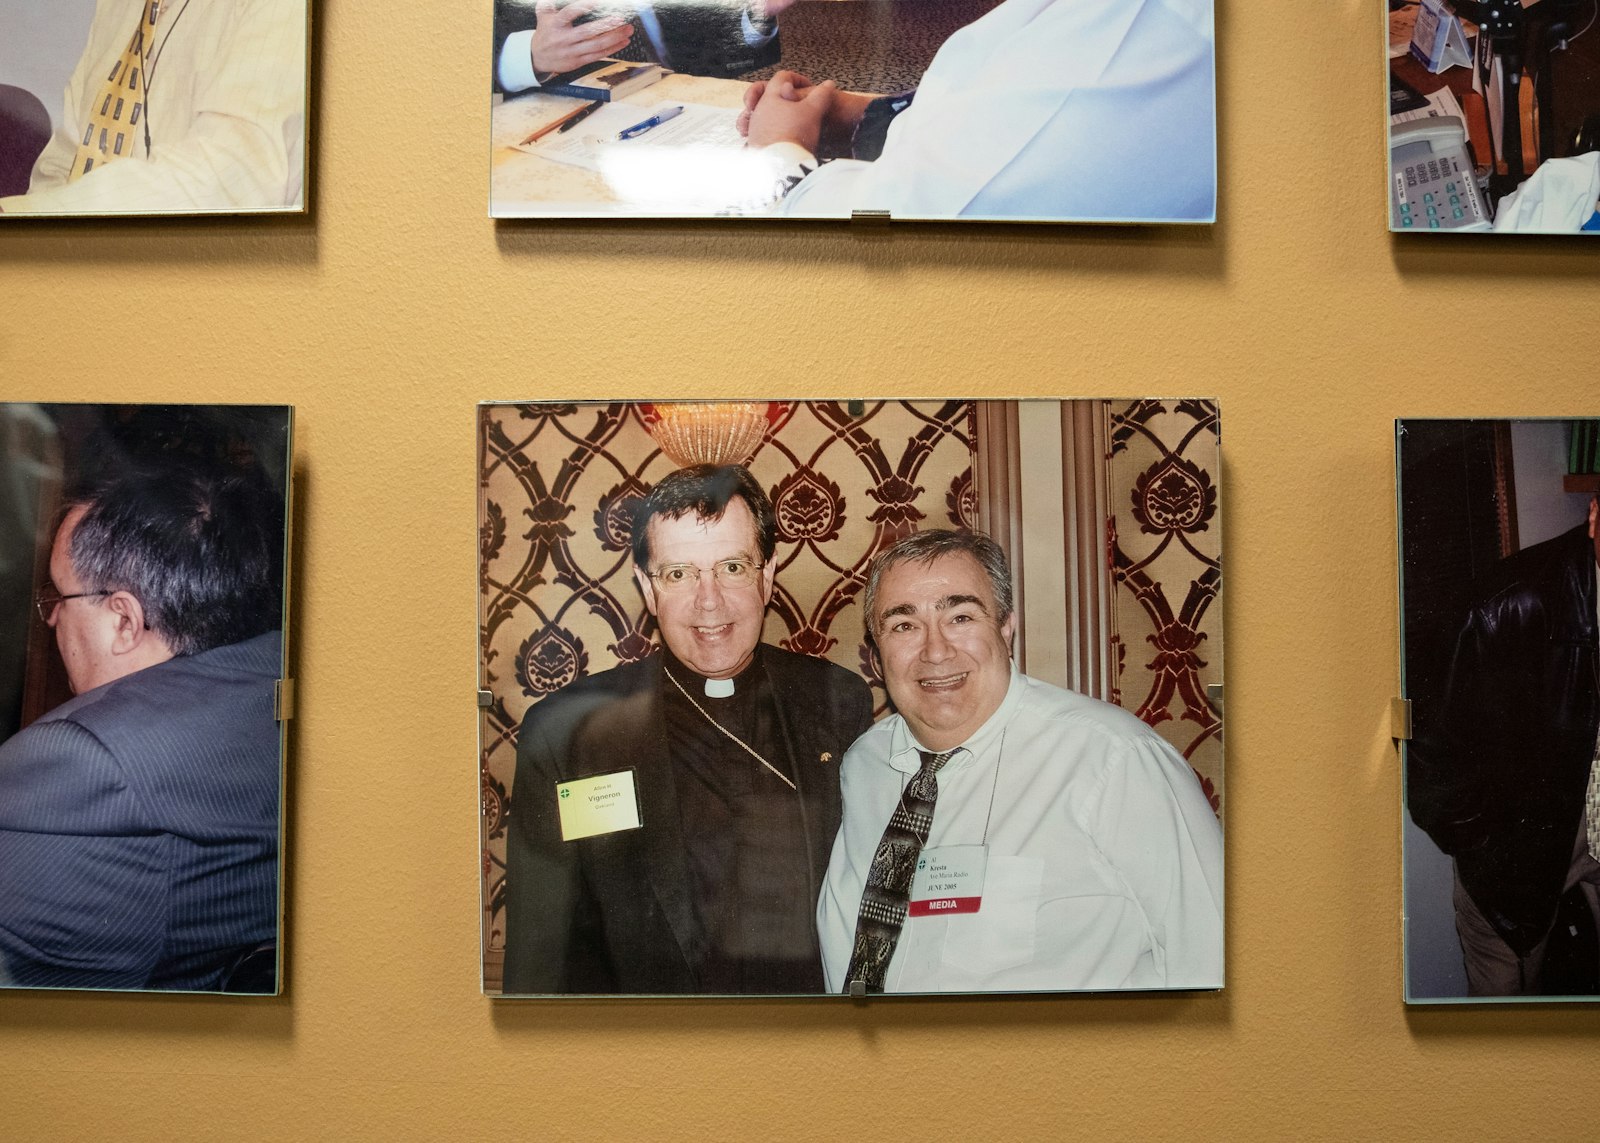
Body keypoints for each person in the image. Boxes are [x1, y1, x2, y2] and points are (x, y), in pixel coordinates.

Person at [501, 464, 874, 994]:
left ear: (767, 576)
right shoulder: (566, 731)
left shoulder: (837, 701)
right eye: (679, 574)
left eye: (732, 567)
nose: (709, 601)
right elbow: (539, 960)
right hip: (647, 1054)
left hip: (804, 1047)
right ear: (647, 591)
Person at [817, 529, 1223, 993]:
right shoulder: (863, 767)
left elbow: (1213, 964)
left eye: (961, 616)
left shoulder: (1116, 762)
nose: (935, 650)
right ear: (875, 652)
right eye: (904, 625)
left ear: (1006, 627)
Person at [0, 457, 285, 991]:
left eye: (60, 596)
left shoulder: (82, 760)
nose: (54, 617)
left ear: (125, 621)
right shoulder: (280, 675)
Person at [739, 0, 1215, 221]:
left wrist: (777, 151)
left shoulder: (1137, 28)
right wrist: (868, 117)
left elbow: (897, 237)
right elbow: (1004, 102)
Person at [1409, 503, 1600, 995]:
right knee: (1505, 1012)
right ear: (1596, 515)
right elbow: (1432, 746)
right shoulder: (1501, 606)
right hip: (1523, 838)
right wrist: (1483, 848)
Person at [0, 0, 306, 215]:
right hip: (77, 279)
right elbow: (66, 165)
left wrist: (43, 214)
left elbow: (229, 182)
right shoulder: (118, 5)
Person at [492, 0, 790, 94]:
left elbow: (706, 47)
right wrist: (530, 56)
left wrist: (755, 15)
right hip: (556, 131)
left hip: (682, 111)